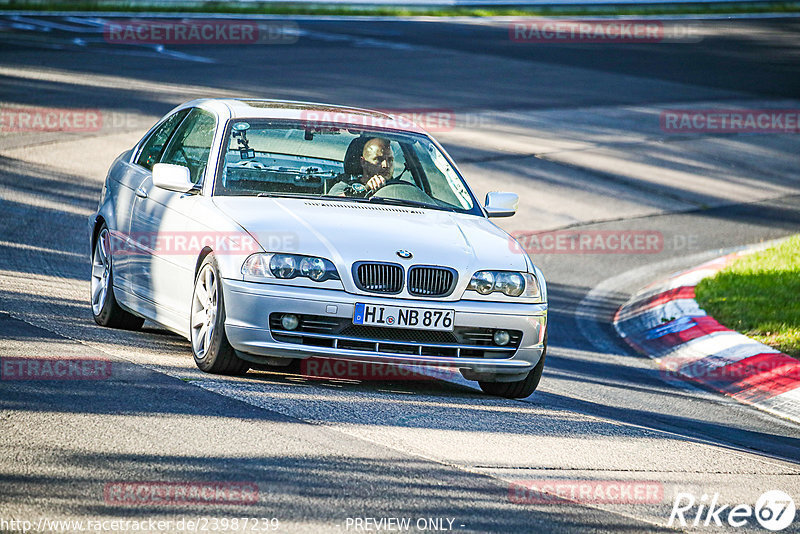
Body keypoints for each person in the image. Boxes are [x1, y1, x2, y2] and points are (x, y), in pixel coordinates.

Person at [328, 137, 395, 197]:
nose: (386, 165)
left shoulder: (398, 189)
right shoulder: (344, 187)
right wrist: (363, 190)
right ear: (363, 162)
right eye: (379, 159)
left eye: (390, 160)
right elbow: (333, 206)